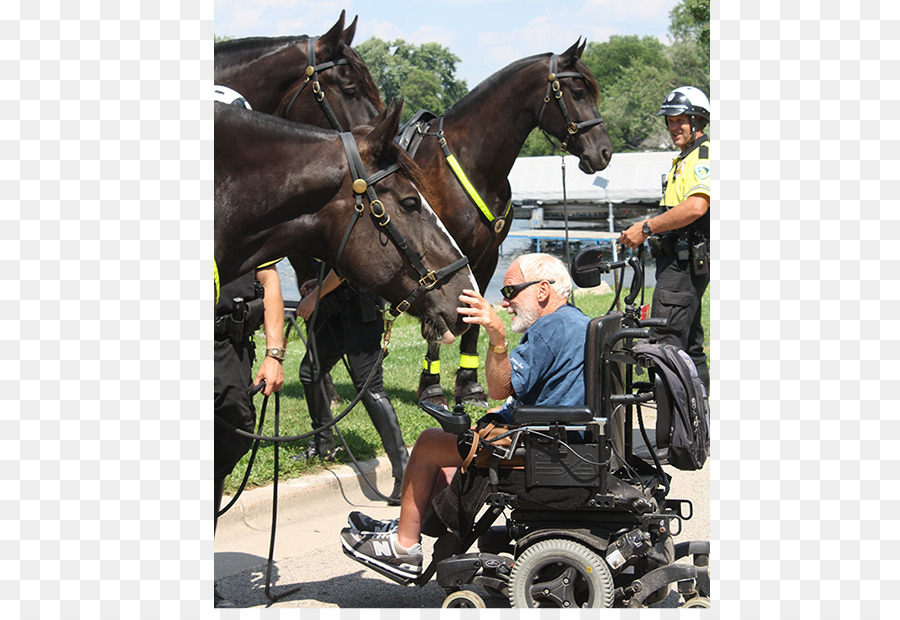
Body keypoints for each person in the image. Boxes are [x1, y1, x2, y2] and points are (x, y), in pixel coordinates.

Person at [339, 253, 589, 580]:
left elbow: (501, 387)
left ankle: (403, 547)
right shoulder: (575, 320)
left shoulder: (549, 328)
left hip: (545, 447)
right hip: (565, 438)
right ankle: (406, 523)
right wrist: (502, 413)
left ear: (542, 290)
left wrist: (497, 337)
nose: (505, 301)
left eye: (512, 291)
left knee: (429, 442)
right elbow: (545, 389)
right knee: (455, 446)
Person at [619, 86, 711, 391]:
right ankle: (696, 431)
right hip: (675, 264)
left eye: (680, 120)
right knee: (690, 347)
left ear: (698, 120)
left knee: (665, 346)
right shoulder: (683, 159)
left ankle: (674, 435)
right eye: (669, 121)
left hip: (683, 268)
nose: (673, 127)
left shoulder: (703, 157)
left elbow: (697, 206)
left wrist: (646, 228)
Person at [294, 266, 409, 504]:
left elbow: (347, 265)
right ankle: (323, 445)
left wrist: (315, 296)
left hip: (362, 312)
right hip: (339, 308)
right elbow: (337, 267)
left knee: (369, 388)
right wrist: (320, 282)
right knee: (310, 372)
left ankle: (404, 472)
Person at [213, 263, 285, 607]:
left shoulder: (244, 212)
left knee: (219, 455)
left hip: (231, 349)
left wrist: (274, 353)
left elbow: (268, 277)